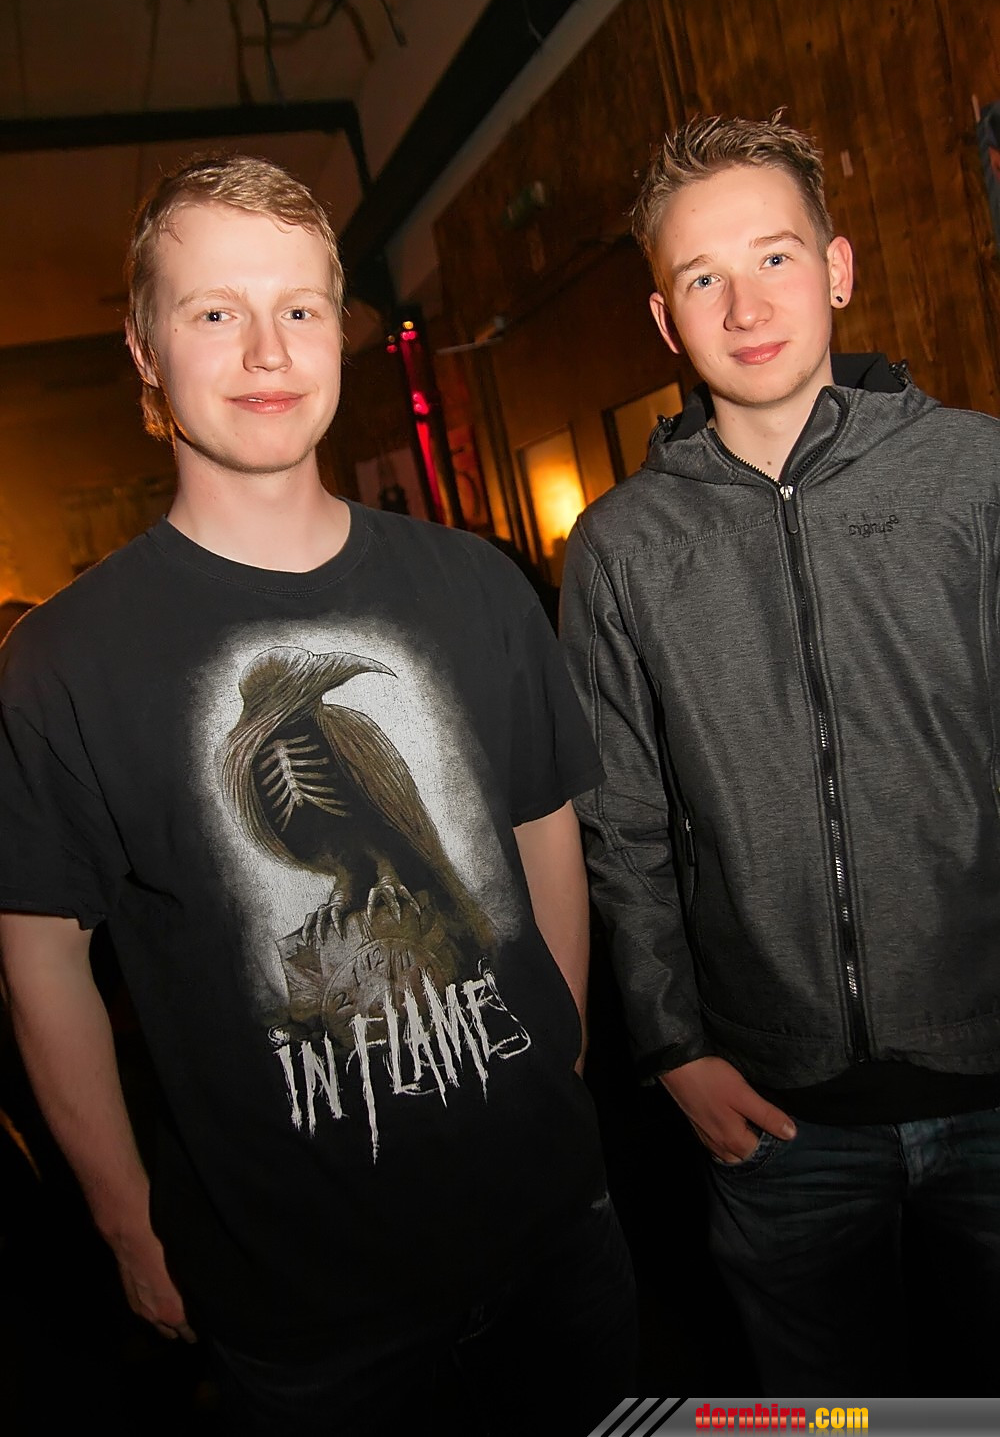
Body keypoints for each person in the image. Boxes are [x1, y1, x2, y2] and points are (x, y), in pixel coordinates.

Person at [0, 154, 635, 1434]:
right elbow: (43, 956)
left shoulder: (476, 585)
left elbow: (541, 830)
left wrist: (557, 1053)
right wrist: (123, 1217)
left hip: (553, 1233)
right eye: (214, 311)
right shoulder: (63, 661)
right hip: (303, 1311)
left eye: (297, 307)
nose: (265, 351)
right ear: (144, 349)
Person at [560, 112, 1000, 1393]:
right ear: (665, 320)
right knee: (827, 1421)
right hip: (772, 1116)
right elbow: (619, 825)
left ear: (837, 268)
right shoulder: (620, 548)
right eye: (703, 277)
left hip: (995, 1080)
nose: (745, 306)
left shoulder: (976, 477)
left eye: (775, 257)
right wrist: (672, 1052)